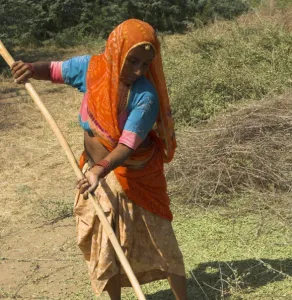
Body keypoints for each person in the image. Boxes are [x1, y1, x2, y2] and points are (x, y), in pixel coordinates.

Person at [11, 19, 188, 300]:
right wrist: (31, 69)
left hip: (135, 176)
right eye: (132, 62)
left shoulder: (145, 95)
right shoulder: (91, 68)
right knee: (106, 241)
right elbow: (55, 70)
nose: (139, 70)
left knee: (161, 241)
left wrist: (99, 171)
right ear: (116, 50)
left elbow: (127, 145)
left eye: (146, 63)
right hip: (98, 177)